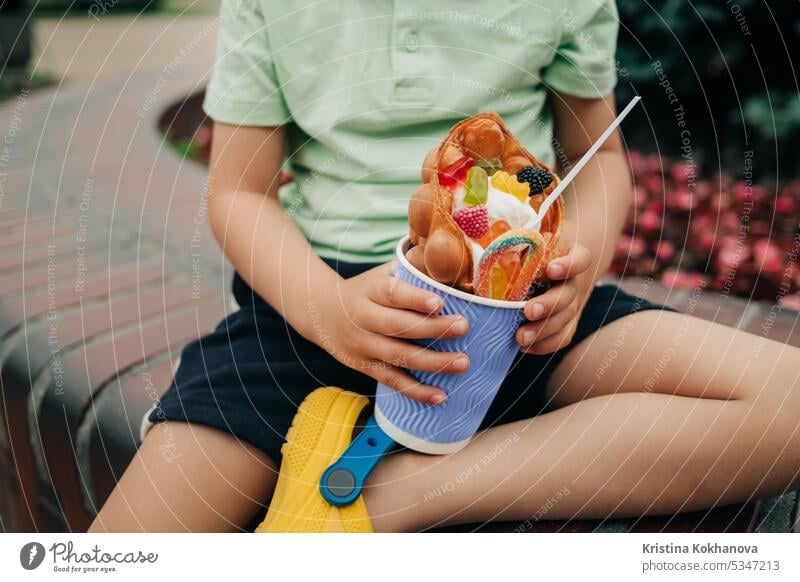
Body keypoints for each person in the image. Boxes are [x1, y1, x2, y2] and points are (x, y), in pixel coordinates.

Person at [91, 0, 800, 532]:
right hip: (311, 309)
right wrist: (329, 313)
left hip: (516, 311)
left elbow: (601, 156)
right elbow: (237, 191)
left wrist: (577, 271)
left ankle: (381, 497)